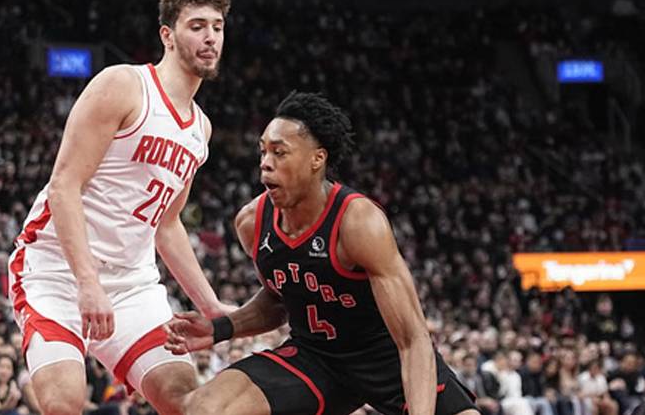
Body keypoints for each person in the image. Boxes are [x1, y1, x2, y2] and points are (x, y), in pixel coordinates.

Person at [165, 92, 480, 415]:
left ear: (317, 159)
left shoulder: (358, 222)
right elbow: (278, 300)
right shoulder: (252, 223)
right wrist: (219, 329)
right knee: (206, 409)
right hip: (315, 359)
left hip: (385, 358)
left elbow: (413, 339)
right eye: (263, 151)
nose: (265, 163)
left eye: (279, 152)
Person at [6, 0, 233, 415]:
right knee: (64, 403)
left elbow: (168, 225)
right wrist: (88, 283)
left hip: (132, 284)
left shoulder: (200, 129)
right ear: (167, 35)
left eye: (218, 27)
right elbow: (64, 186)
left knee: (188, 402)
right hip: (57, 269)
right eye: (197, 26)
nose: (210, 37)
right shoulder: (124, 85)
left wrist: (211, 306)